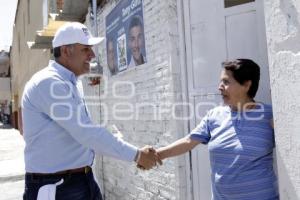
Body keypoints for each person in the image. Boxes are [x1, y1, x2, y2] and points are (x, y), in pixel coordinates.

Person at [22, 22, 161, 200]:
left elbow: (87, 131)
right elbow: (85, 133)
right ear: (66, 51)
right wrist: (137, 155)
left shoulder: (72, 83)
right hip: (57, 187)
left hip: (81, 180)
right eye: (86, 49)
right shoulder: (48, 83)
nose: (93, 54)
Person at [157, 59, 279, 200]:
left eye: (226, 82)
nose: (220, 87)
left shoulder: (270, 115)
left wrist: (283, 128)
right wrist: (158, 154)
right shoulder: (215, 115)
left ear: (246, 85)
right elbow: (189, 141)